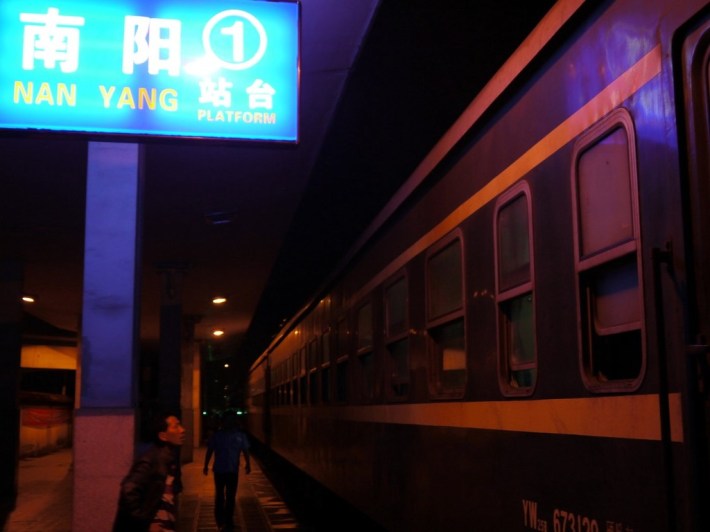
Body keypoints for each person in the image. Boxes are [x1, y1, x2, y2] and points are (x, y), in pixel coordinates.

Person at [113, 413, 186, 531]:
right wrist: (145, 524)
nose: (182, 430)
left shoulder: (168, 460)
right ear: (163, 436)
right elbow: (128, 490)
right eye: (176, 426)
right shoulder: (150, 461)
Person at [203, 411, 251, 532]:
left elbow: (245, 451)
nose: (230, 422)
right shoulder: (235, 436)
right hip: (224, 470)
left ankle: (225, 519)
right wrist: (205, 465)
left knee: (228, 495)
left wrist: (248, 463)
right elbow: (210, 451)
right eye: (229, 420)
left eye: (232, 420)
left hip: (229, 470)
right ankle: (224, 519)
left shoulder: (222, 435)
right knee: (223, 495)